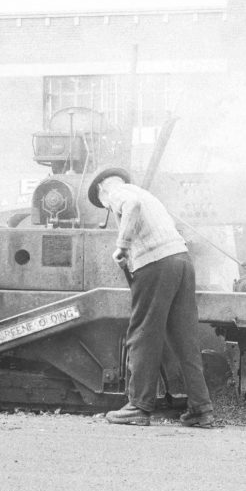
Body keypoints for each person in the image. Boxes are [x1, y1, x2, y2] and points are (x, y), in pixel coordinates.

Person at [88, 166, 214, 429]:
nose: (106, 206)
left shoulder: (118, 192)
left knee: (143, 334)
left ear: (101, 189)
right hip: (181, 260)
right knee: (185, 339)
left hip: (155, 264)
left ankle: (138, 406)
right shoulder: (147, 195)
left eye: (102, 203)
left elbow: (130, 206)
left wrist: (122, 246)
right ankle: (201, 409)